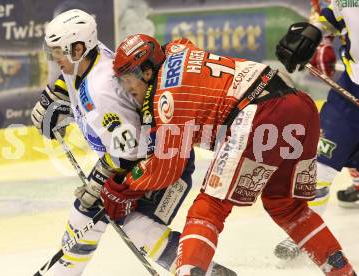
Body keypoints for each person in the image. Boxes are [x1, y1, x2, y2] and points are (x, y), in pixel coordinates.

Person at [101, 32, 356, 276]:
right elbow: (182, 45)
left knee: (209, 207)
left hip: (260, 114)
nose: (126, 88)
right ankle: (342, 271)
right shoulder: (175, 50)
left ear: (146, 72)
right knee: (289, 207)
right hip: (300, 107)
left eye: (127, 79)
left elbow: (167, 168)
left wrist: (123, 187)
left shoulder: (168, 99)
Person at [30, 9, 234, 276]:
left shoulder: (102, 90)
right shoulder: (84, 57)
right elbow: (69, 82)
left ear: (78, 48)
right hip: (126, 159)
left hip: (161, 162)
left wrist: (99, 180)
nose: (55, 58)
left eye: (58, 51)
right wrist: (54, 96)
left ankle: (206, 272)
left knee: (134, 225)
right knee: (84, 213)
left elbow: (132, 150)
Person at [273, 0, 359, 260]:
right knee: (318, 163)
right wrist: (313, 36)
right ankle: (306, 232)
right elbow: (328, 19)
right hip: (351, 92)